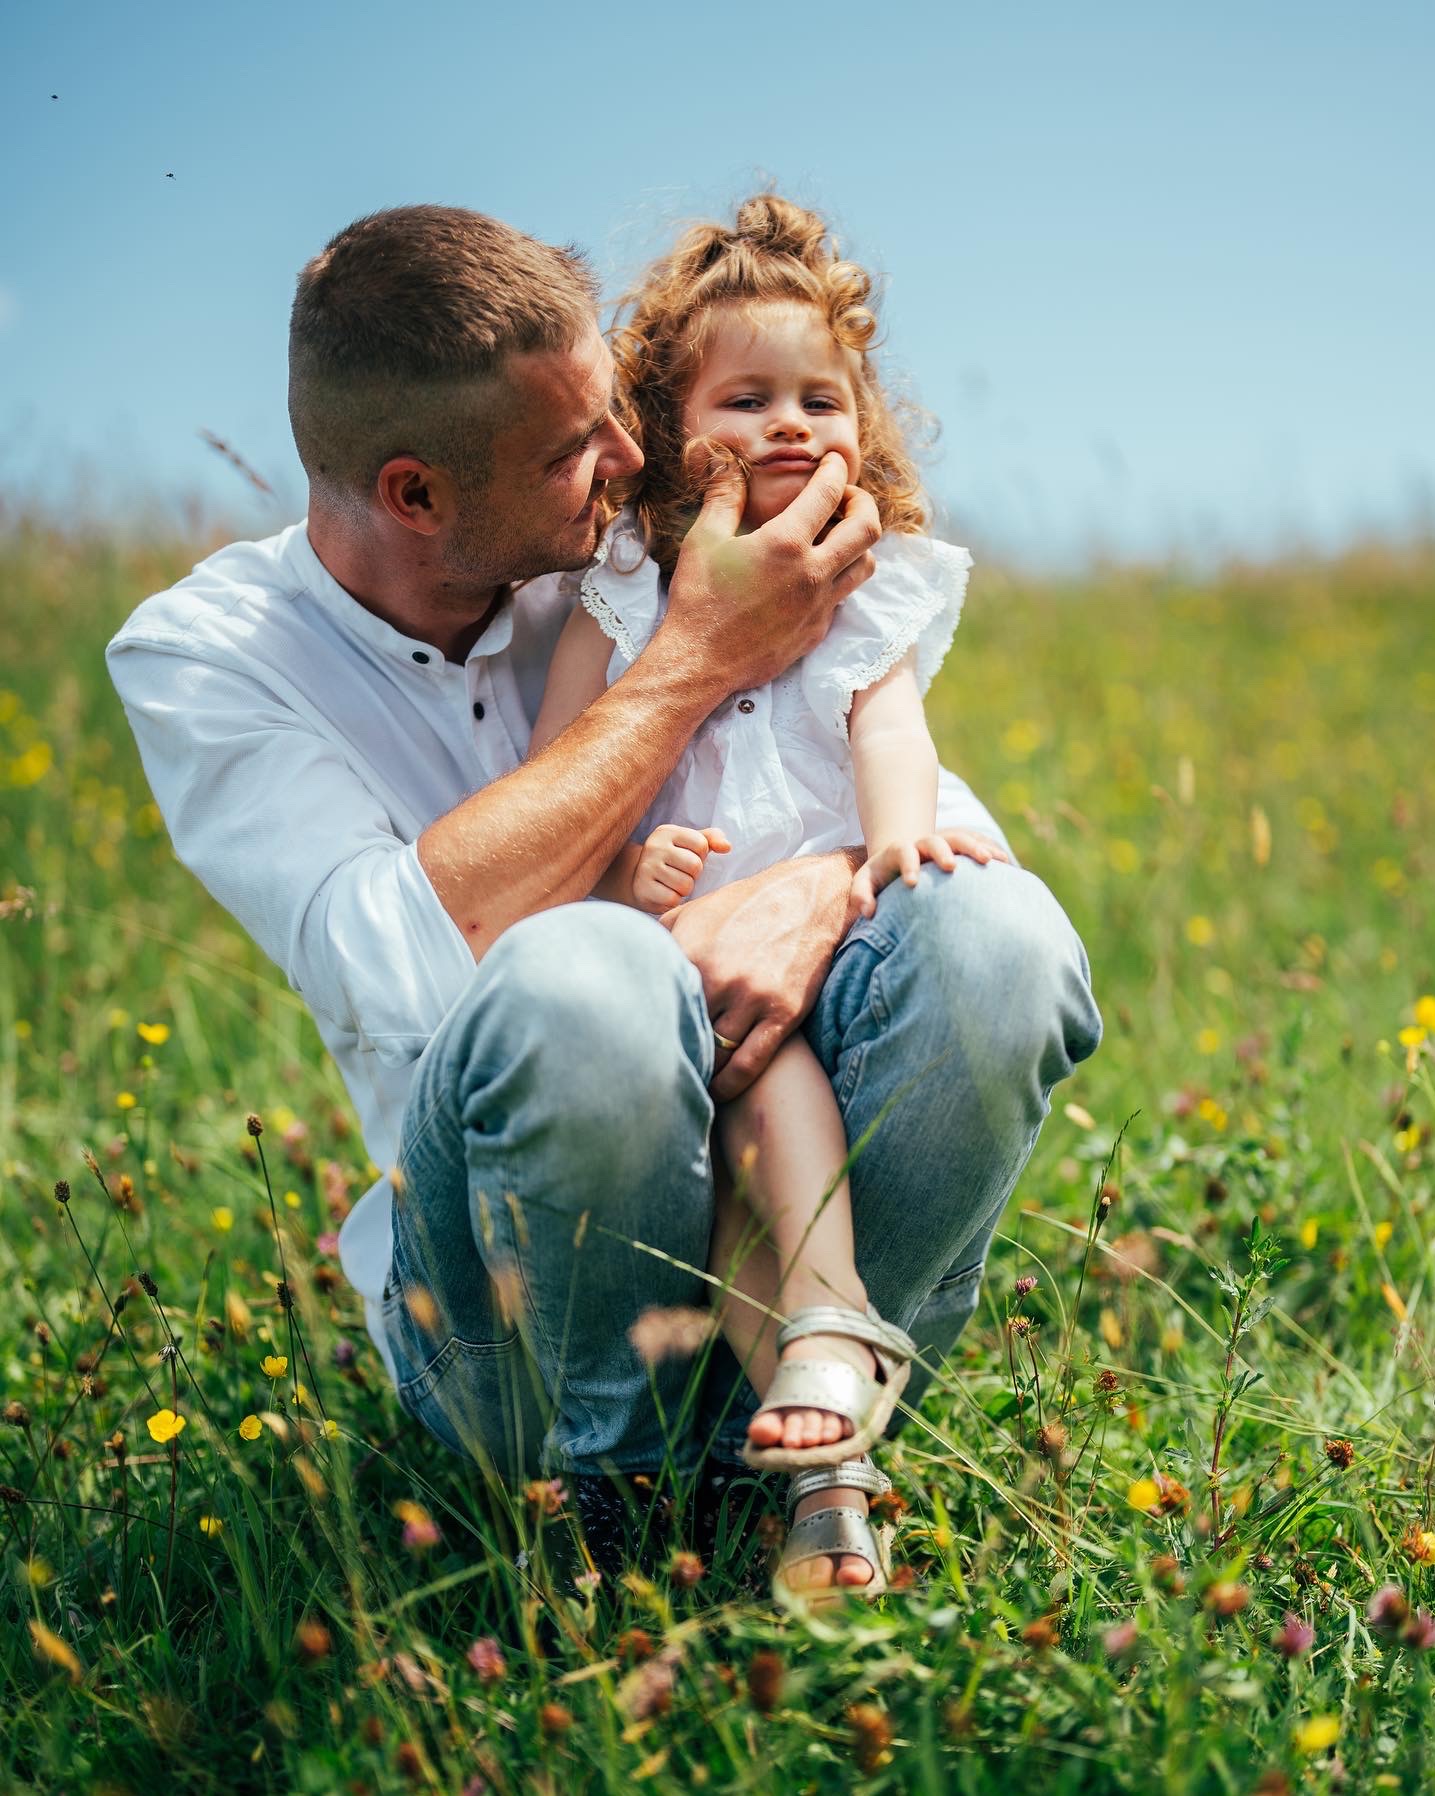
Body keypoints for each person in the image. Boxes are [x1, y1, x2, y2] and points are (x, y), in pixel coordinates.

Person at [106, 202, 1102, 1600]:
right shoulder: (210, 658)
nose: (635, 456)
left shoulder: (618, 552)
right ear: (414, 495)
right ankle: (607, 1505)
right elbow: (390, 967)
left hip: (788, 1253)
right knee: (589, 982)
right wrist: (693, 661)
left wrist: (815, 883)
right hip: (513, 1321)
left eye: (616, 411)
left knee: (1002, 944)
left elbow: (912, 805)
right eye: (578, 445)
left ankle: (823, 1398)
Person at [527, 197, 1016, 1591]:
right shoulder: (625, 589)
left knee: (770, 1103)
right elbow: (576, 771)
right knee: (741, 1127)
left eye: (822, 395)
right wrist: (626, 870)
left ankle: (822, 1412)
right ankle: (832, 1400)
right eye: (748, 397)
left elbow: (886, 729)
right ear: (673, 426)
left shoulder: (868, 590)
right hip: (673, 938)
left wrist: (898, 848)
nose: (794, 423)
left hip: (806, 927)